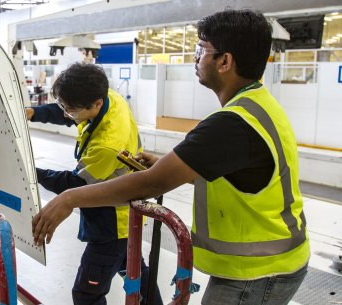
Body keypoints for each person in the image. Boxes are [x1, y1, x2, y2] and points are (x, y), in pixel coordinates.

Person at [32, 9, 309, 305]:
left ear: (225, 61)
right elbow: (243, 172)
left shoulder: (231, 123)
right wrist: (172, 165)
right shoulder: (259, 106)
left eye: (201, 49)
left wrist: (69, 198)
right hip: (277, 263)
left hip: (255, 274)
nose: (195, 57)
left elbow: (152, 183)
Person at [25, 62, 162, 305]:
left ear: (95, 104)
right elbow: (70, 111)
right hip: (126, 216)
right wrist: (35, 113)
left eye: (71, 111)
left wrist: (31, 171)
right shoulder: (108, 96)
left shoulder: (107, 145)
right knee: (138, 277)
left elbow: (73, 184)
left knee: (86, 294)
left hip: (110, 221)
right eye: (65, 108)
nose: (67, 115)